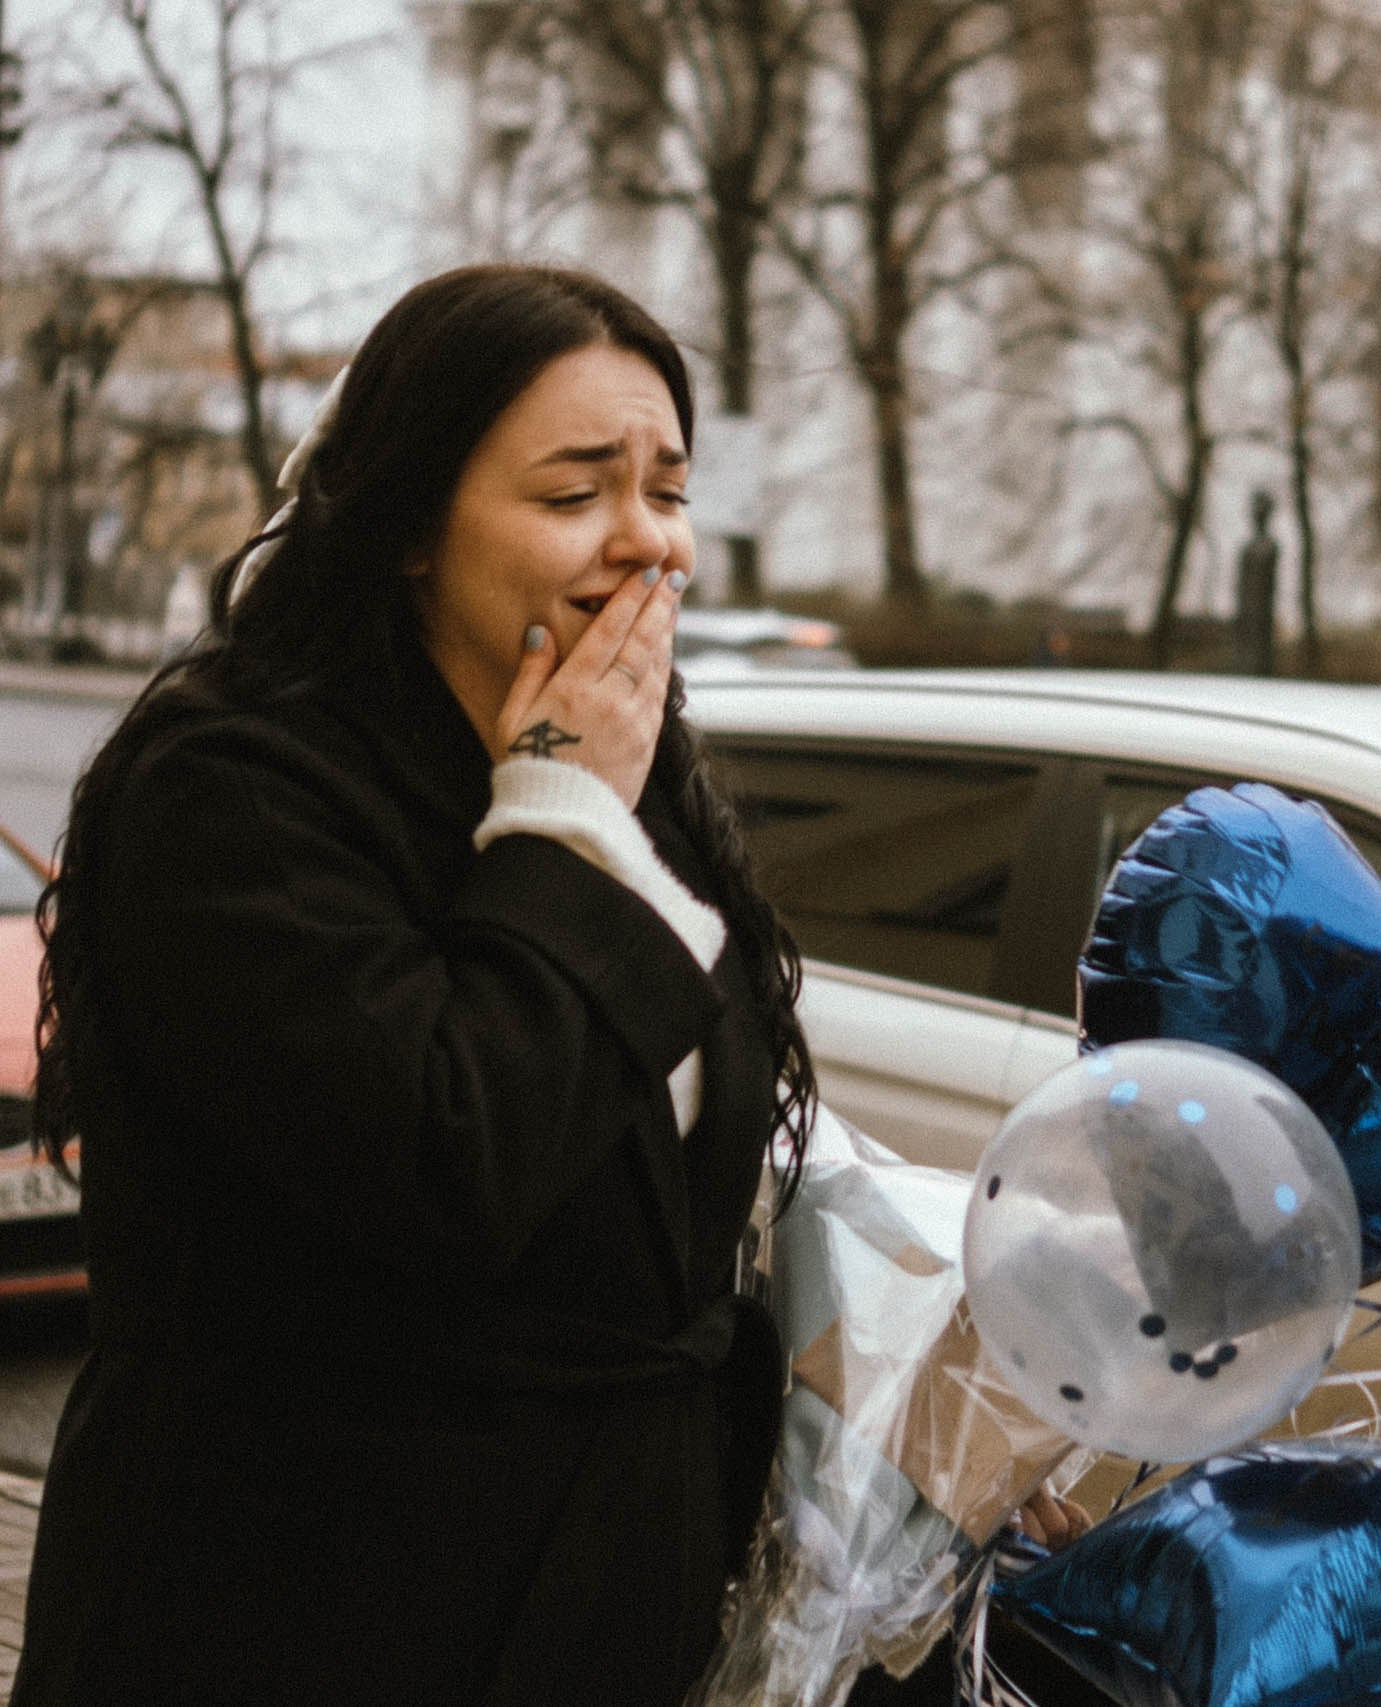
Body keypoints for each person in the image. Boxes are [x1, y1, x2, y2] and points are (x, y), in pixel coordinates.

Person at [15, 265, 821, 1705]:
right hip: (290, 1617)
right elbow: (452, 1156)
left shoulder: (634, 771)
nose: (647, 541)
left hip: (596, 1611)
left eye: (669, 491)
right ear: (404, 528)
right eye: (575, 492)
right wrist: (564, 811)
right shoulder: (227, 789)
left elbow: (681, 1182)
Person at [1232, 490, 1280, 677]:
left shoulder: (1270, 546)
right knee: (1244, 642)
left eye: (1261, 513)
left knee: (1260, 646)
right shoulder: (1247, 547)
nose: (1257, 517)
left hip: (1262, 607)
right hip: (1246, 605)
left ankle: (1258, 672)